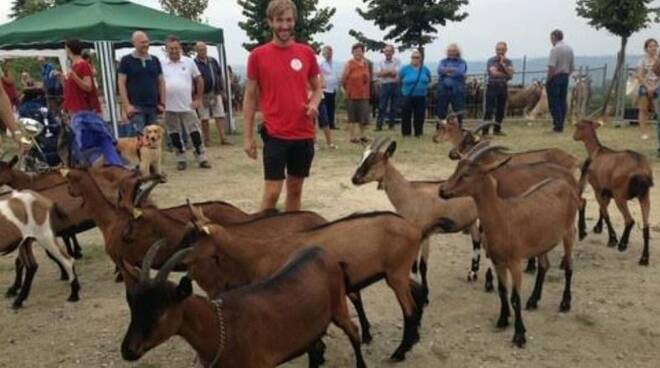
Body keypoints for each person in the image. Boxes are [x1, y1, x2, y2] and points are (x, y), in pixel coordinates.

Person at [243, 0, 322, 212]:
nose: (284, 26)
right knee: (272, 192)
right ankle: (260, 235)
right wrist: (248, 138)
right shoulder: (257, 56)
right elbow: (250, 98)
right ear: (270, 22)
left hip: (303, 134)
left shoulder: (306, 53)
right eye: (279, 20)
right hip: (275, 134)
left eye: (288, 20)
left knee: (295, 190)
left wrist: (314, 103)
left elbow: (318, 88)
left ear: (294, 21)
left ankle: (291, 237)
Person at [161, 35, 210, 171]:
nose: (174, 51)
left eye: (176, 48)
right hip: (169, 106)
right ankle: (180, 158)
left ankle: (201, 157)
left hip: (187, 104)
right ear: (166, 50)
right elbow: (158, 83)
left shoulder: (188, 62)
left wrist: (199, 99)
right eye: (171, 49)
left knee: (194, 132)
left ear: (180, 48)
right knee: (174, 133)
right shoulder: (161, 64)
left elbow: (199, 80)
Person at [117, 31, 165, 137]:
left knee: (153, 140)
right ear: (134, 43)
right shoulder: (126, 60)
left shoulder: (155, 60)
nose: (145, 45)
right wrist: (127, 105)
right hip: (135, 107)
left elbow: (161, 82)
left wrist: (162, 103)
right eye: (142, 42)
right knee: (137, 140)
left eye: (147, 42)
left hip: (153, 107)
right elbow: (121, 83)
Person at [194, 41, 231, 147]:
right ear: (196, 50)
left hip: (215, 92)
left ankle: (223, 138)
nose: (203, 51)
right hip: (202, 94)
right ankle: (207, 140)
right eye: (200, 49)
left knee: (220, 115)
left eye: (204, 49)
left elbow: (219, 75)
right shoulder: (194, 63)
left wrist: (222, 90)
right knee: (204, 118)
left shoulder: (212, 61)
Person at [62, 38, 101, 116]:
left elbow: (88, 87)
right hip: (74, 108)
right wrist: (61, 78)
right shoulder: (73, 66)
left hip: (83, 110)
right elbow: (71, 88)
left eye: (65, 48)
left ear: (69, 49)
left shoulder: (83, 65)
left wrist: (75, 77)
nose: (65, 50)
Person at [546, 29, 575, 133]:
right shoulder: (569, 49)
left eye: (551, 38)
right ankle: (561, 123)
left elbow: (552, 66)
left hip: (555, 77)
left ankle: (557, 124)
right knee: (562, 101)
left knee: (554, 102)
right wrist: (566, 74)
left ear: (554, 37)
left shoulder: (555, 49)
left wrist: (549, 79)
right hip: (565, 76)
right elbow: (572, 67)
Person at [342, 42, 371, 144]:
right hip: (351, 94)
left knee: (363, 116)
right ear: (352, 52)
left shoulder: (366, 64)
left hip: (363, 94)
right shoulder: (349, 63)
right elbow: (343, 79)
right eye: (356, 51)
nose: (358, 53)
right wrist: (346, 89)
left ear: (363, 52)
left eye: (360, 51)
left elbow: (368, 78)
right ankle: (352, 137)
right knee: (352, 117)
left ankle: (362, 135)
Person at [483, 42, 514, 136]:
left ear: (506, 50)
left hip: (503, 87)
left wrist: (503, 65)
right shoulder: (490, 60)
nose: (500, 51)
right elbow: (494, 73)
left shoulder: (508, 61)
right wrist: (505, 74)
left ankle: (497, 130)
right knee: (489, 110)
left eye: (502, 49)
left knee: (501, 109)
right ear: (495, 50)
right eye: (498, 49)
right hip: (492, 86)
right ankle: (485, 131)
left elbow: (511, 75)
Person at [399, 50, 432, 137]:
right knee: (406, 115)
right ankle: (406, 133)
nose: (415, 59)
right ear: (411, 58)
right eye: (413, 57)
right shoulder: (405, 69)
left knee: (420, 115)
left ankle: (418, 132)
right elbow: (399, 79)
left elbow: (429, 79)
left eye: (417, 57)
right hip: (408, 95)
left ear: (420, 59)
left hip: (421, 96)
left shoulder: (425, 69)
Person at [436, 44, 467, 126]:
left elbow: (460, 72)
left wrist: (447, 71)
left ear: (457, 52)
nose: (451, 53)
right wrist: (453, 71)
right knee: (441, 111)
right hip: (443, 90)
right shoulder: (443, 61)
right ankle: (440, 129)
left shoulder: (462, 62)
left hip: (457, 90)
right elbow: (439, 70)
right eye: (449, 51)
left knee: (458, 111)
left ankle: (459, 129)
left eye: (453, 51)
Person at [636, 38, 658, 140]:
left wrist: (655, 86)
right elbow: (640, 75)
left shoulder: (659, 60)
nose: (653, 48)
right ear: (646, 48)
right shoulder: (642, 60)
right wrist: (648, 86)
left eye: (655, 46)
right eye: (650, 46)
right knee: (642, 109)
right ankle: (643, 132)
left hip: (657, 85)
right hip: (645, 86)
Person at [376, 44, 400, 131]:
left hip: (395, 85)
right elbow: (378, 74)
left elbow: (396, 73)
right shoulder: (380, 62)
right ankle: (379, 125)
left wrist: (385, 72)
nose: (388, 53)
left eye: (390, 51)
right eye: (386, 51)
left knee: (394, 107)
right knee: (382, 106)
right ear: (384, 52)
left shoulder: (397, 61)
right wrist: (390, 72)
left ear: (393, 52)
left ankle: (391, 125)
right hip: (384, 85)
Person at [319, 45, 338, 130]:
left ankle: (331, 123)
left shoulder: (334, 63)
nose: (328, 54)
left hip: (332, 88)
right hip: (324, 88)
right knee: (324, 107)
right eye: (326, 52)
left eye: (329, 52)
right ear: (323, 53)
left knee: (331, 107)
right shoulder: (321, 63)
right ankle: (323, 124)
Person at [316, 74, 337, 149]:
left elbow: (324, 84)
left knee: (325, 121)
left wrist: (316, 85)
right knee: (311, 123)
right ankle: (314, 143)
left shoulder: (318, 73)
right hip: (309, 98)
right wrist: (318, 85)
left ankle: (329, 143)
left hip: (320, 99)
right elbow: (307, 85)